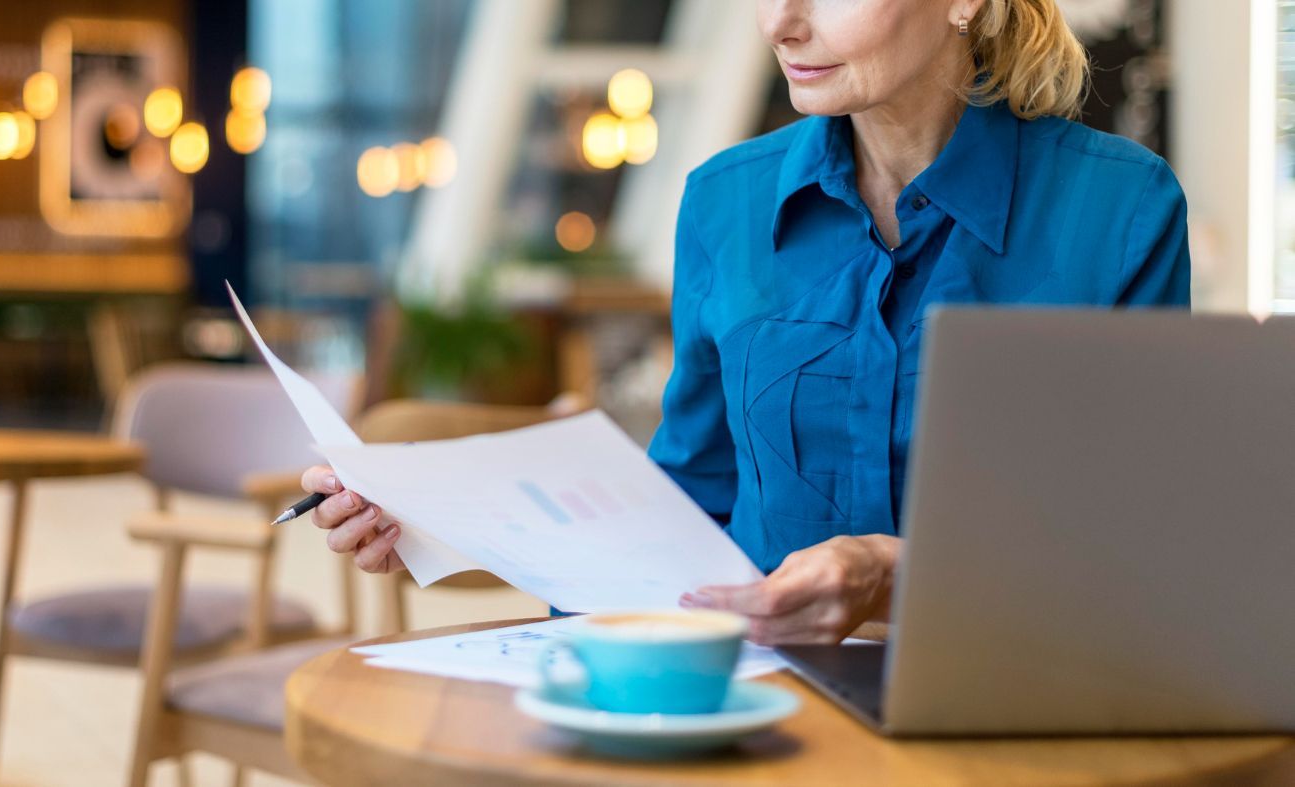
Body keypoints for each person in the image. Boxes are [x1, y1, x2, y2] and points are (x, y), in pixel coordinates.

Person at [299, 0, 1190, 645]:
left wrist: (897, 573)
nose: (779, 22)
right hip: (760, 703)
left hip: (1005, 701)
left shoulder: (1119, 210)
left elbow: (1143, 544)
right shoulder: (724, 203)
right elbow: (690, 501)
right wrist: (439, 522)